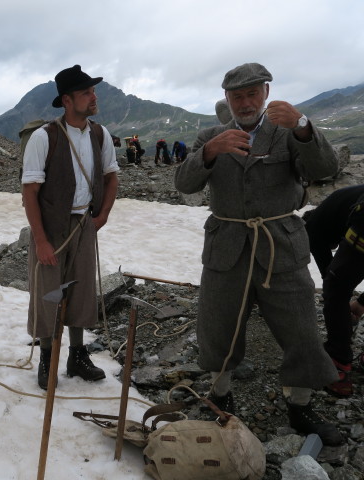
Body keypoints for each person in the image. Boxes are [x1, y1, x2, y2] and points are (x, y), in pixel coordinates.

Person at [174, 62, 344, 445]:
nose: (246, 102)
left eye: (253, 93)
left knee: (301, 329)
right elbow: (184, 184)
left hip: (280, 246)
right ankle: (221, 398)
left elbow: (327, 168)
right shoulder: (210, 135)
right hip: (225, 249)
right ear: (227, 99)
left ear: (267, 92)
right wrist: (209, 153)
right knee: (218, 329)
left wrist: (303, 126)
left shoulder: (287, 134)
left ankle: (300, 407)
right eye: (238, 96)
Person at [21, 65, 119, 390]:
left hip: (83, 225)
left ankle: (77, 357)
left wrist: (102, 215)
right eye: (86, 93)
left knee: (81, 292)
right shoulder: (43, 137)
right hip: (50, 230)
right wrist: (41, 240)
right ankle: (48, 360)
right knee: (50, 294)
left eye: (93, 92)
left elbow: (111, 176)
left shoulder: (99, 134)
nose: (94, 98)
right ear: (67, 100)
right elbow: (30, 191)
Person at [303, 184, 364, 396]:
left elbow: (329, 277)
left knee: (335, 289)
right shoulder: (339, 204)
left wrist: (340, 300)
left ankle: (338, 364)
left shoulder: (313, 229)